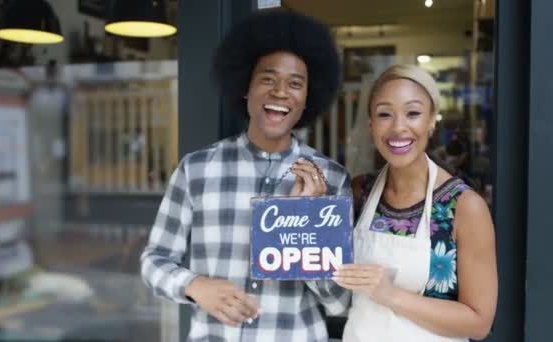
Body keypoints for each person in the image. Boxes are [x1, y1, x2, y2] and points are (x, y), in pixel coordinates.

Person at [141, 10, 352, 341]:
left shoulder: (331, 179)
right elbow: (154, 261)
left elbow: (339, 300)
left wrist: (305, 220)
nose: (281, 92)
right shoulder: (196, 169)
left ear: (307, 98)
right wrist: (195, 286)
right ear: (245, 87)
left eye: (295, 83)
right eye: (268, 78)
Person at [332, 65, 497, 341]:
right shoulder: (359, 192)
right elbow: (326, 280)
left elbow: (479, 323)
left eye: (413, 113)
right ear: (371, 125)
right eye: (385, 114)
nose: (398, 127)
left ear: (432, 120)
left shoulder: (463, 207)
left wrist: (390, 295)